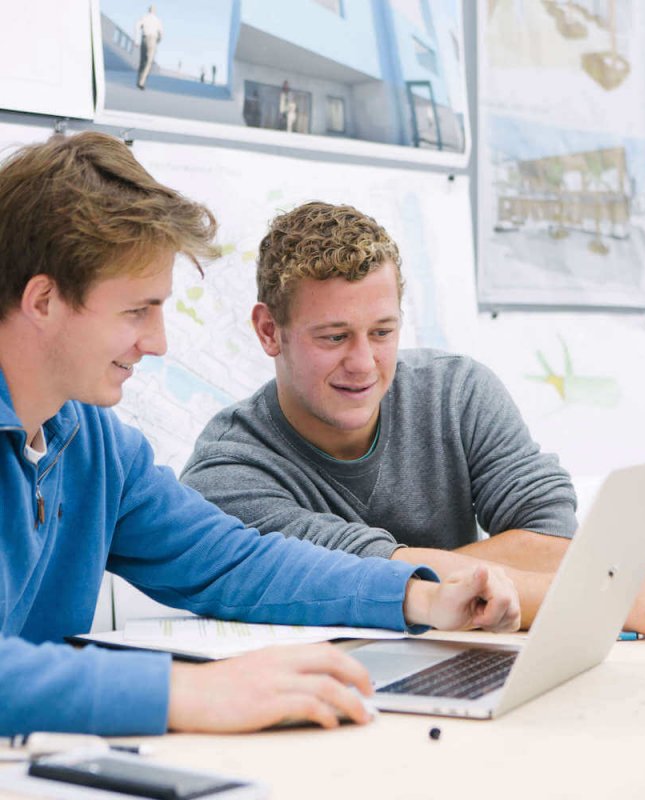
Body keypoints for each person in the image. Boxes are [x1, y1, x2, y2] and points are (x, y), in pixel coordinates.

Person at [0, 134, 520, 737]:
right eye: (137, 311)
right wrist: (185, 692)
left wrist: (417, 596)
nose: (158, 342)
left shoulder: (92, 442)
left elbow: (235, 562)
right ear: (44, 300)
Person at [182, 201, 645, 639]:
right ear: (268, 331)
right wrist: (611, 598)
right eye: (333, 337)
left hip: (466, 659)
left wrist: (425, 573)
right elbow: (367, 580)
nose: (363, 363)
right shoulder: (228, 472)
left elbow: (549, 533)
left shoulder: (456, 392)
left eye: (382, 332)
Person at [136, 5, 163, 90]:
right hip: (152, 40)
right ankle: (142, 82)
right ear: (154, 11)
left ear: (148, 10)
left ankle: (139, 80)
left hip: (144, 38)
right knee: (149, 62)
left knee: (142, 61)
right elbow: (161, 33)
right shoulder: (157, 20)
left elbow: (137, 26)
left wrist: (136, 39)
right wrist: (157, 41)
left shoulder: (144, 17)